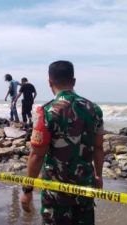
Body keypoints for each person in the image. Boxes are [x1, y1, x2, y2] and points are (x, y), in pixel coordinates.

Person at [20, 60, 104, 225]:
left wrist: (27, 189)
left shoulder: (46, 112)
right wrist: (98, 175)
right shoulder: (94, 109)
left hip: (56, 192)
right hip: (84, 186)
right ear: (73, 81)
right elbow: (99, 147)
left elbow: (37, 155)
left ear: (49, 82)